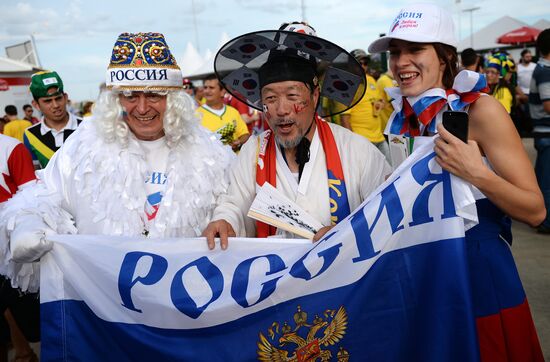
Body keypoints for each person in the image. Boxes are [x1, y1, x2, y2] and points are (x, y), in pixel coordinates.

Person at [368, 4, 545, 361]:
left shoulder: (480, 110)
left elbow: (536, 209)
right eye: (395, 52)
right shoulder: (399, 119)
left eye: (415, 50)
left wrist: (476, 172)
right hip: (423, 272)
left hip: (477, 271)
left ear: (446, 56)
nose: (401, 62)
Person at [0, 32, 233, 293]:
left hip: (186, 304)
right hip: (105, 309)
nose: (142, 108)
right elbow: (42, 196)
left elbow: (232, 199)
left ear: (174, 99)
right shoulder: (82, 147)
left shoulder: (209, 150)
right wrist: (29, 224)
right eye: (130, 96)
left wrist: (225, 216)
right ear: (116, 100)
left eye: (154, 95)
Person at [203, 22, 390, 249]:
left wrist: (350, 233)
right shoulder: (253, 152)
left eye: (292, 96)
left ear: (314, 96)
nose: (281, 110)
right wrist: (226, 221)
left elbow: (387, 209)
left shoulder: (355, 149)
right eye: (270, 99)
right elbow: (234, 203)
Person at [0, 134, 38, 362]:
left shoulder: (12, 148)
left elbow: (32, 202)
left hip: (9, 255)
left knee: (18, 314)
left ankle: (24, 353)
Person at [22, 71, 82, 169]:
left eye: (58, 98)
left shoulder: (86, 126)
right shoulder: (30, 135)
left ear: (66, 97)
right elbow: (34, 173)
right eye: (48, 101)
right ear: (36, 105)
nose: (55, 105)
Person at [340, 49, 390, 162]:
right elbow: (344, 118)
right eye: (359, 63)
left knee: (391, 172)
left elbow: (379, 99)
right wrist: (353, 141)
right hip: (361, 138)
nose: (363, 66)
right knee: (370, 176)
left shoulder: (371, 79)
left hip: (379, 136)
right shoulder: (346, 84)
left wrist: (380, 103)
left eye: (365, 63)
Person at [529, 28, 550, 234]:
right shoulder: (545, 71)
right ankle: (545, 220)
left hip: (544, 132)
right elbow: (548, 105)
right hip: (546, 132)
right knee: (546, 180)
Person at [197, 74, 250, 152]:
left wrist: (238, 142)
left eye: (211, 88)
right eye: (205, 88)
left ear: (222, 92)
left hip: (236, 161)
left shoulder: (233, 112)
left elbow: (244, 134)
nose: (207, 91)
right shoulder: (196, 115)